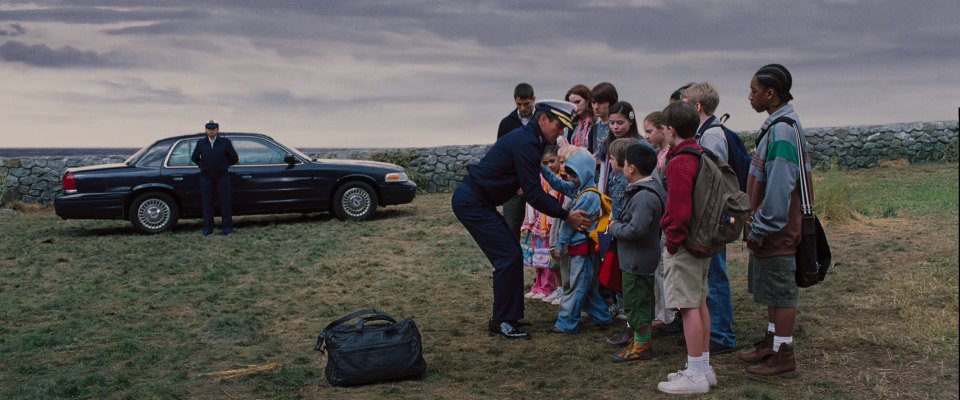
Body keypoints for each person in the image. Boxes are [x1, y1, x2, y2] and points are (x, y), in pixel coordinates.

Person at [452, 100, 592, 340]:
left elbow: (531, 184)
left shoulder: (531, 141)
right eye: (558, 127)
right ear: (543, 120)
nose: (560, 133)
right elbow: (535, 194)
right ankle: (504, 321)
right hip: (472, 202)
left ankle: (507, 318)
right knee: (508, 257)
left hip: (478, 200)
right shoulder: (527, 143)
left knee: (511, 255)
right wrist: (566, 215)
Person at [739, 64, 811, 378]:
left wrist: (762, 226)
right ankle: (772, 341)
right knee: (772, 288)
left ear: (771, 94)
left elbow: (781, 187)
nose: (749, 97)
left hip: (777, 230)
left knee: (781, 292)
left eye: (754, 91)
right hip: (769, 228)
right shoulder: (778, 125)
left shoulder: (782, 129)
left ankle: (783, 354)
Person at [656, 101, 715, 395]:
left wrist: (673, 243)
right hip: (702, 241)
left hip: (685, 243)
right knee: (700, 301)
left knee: (688, 306)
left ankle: (695, 376)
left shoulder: (679, 161)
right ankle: (703, 367)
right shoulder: (700, 153)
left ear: (669, 129)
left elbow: (679, 212)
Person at [681, 82, 736, 355]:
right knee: (710, 275)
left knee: (715, 275)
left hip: (712, 217)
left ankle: (722, 334)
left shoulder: (711, 135)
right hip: (709, 215)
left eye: (685, 102)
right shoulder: (706, 132)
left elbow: (714, 180)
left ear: (696, 106)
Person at [542, 149, 613, 335]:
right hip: (581, 249)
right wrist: (542, 169)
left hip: (583, 250)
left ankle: (566, 323)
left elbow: (570, 224)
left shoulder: (589, 196)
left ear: (585, 172)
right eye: (570, 175)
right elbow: (558, 183)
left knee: (575, 288)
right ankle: (604, 318)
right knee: (585, 287)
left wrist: (559, 245)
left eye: (574, 175)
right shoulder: (580, 188)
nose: (571, 179)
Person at [608, 143, 666, 363]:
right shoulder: (649, 189)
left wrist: (614, 228)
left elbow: (637, 229)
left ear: (631, 168)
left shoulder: (643, 197)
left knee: (636, 302)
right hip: (638, 258)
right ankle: (641, 342)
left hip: (637, 260)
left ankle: (641, 346)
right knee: (639, 300)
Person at [522, 145, 563, 302]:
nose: (549, 166)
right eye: (545, 163)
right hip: (540, 223)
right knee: (538, 256)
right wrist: (529, 223)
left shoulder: (560, 180)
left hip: (551, 224)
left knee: (548, 257)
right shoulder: (541, 179)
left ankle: (548, 287)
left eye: (552, 161)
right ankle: (538, 285)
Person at [498, 83, 537, 246]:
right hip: (514, 189)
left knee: (543, 230)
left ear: (534, 100)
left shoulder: (543, 120)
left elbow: (549, 153)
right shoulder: (507, 123)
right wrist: (516, 185)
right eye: (519, 104)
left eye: (526, 104)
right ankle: (511, 267)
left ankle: (543, 269)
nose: (522, 108)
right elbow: (501, 157)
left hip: (539, 185)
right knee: (510, 229)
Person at [190, 120, 239, 236]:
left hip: (222, 176)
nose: (211, 131)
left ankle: (227, 230)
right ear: (206, 130)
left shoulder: (225, 142)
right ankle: (207, 230)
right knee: (207, 204)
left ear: (217, 130)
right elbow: (194, 157)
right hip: (206, 177)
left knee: (225, 203)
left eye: (213, 129)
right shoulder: (201, 143)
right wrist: (203, 165)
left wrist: (224, 164)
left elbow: (234, 157)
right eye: (209, 129)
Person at [564, 84, 596, 152]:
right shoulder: (571, 122)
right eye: (571, 104)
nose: (575, 106)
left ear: (588, 100)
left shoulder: (597, 120)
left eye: (577, 102)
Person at [591, 82, 618, 157]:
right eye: (593, 102)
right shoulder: (594, 128)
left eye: (600, 102)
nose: (596, 107)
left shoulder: (617, 127)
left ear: (611, 102)